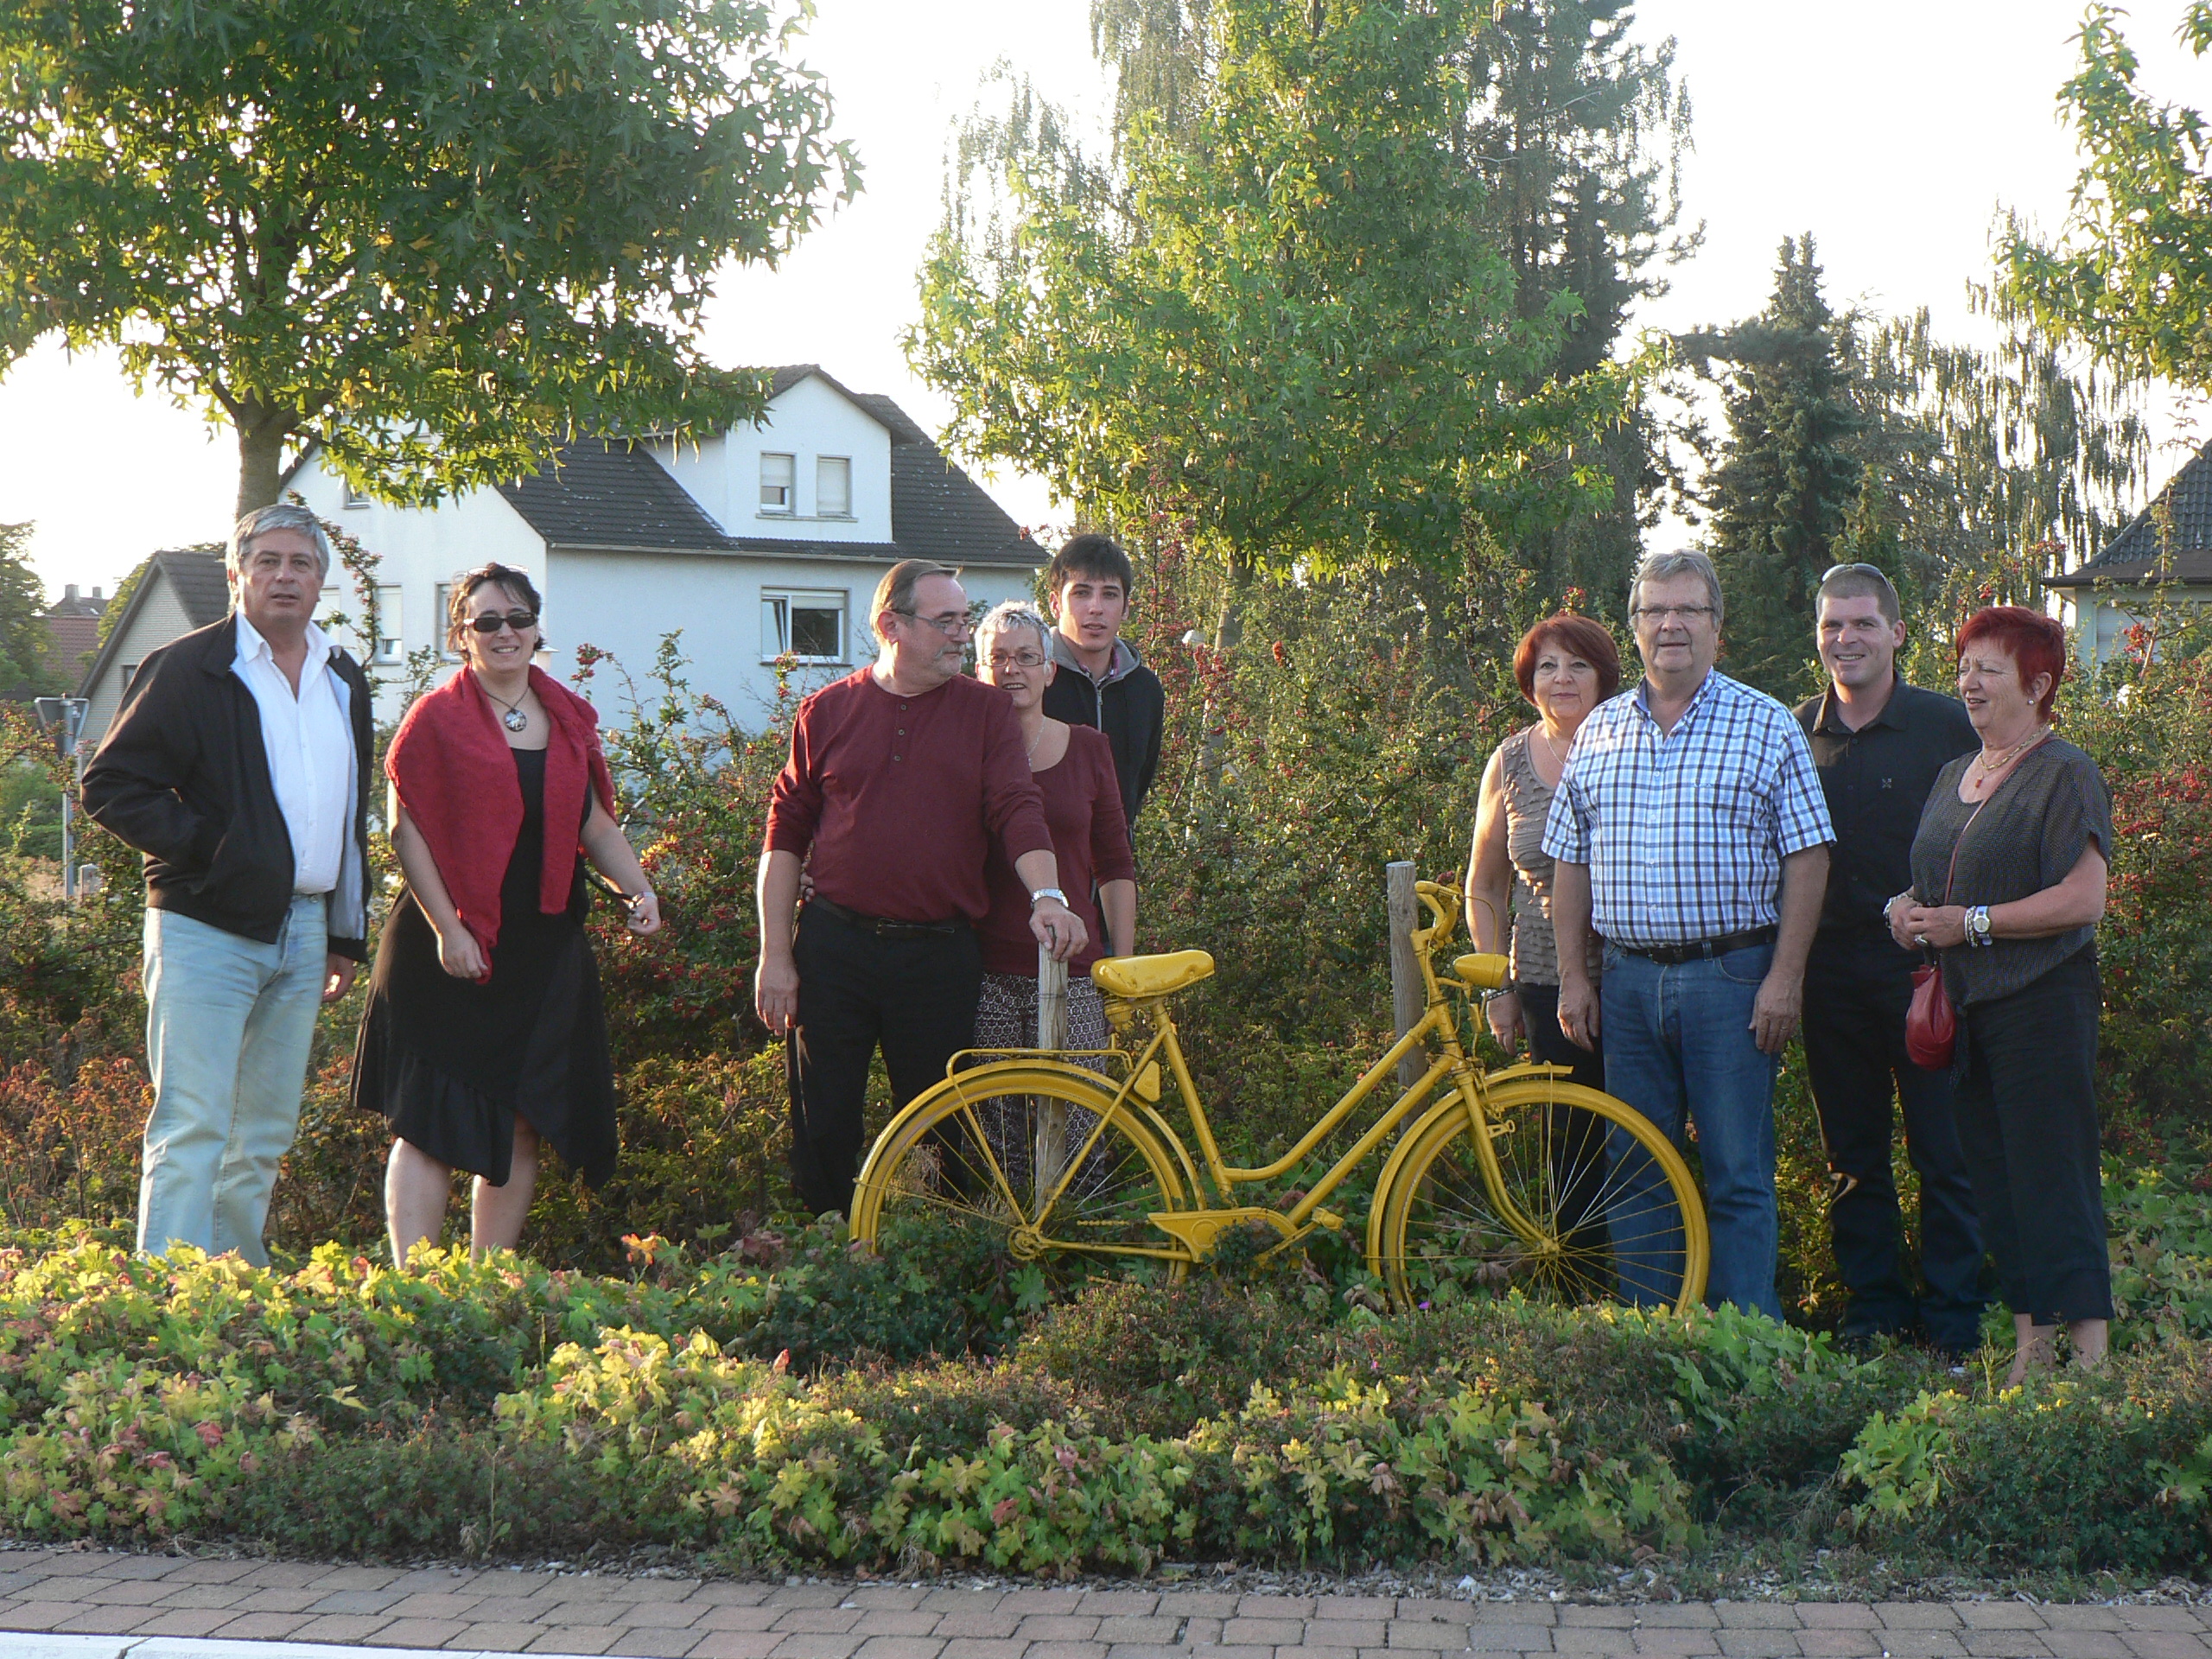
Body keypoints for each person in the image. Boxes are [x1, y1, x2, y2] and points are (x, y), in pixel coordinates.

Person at [1545, 550, 1833, 1319]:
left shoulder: (1766, 724)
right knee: (1635, 1165)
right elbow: (1569, 862)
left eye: (1688, 611)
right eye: (1654, 611)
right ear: (1634, 627)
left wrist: (1786, 977)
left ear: (1716, 626)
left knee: (1737, 1170)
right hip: (1630, 983)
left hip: (1733, 980)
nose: (1671, 625)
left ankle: (1748, 1351)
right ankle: (1652, 1341)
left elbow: (1809, 857)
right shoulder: (1599, 731)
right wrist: (1576, 976)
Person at [83, 504, 373, 1264]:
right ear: (236, 574)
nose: (285, 576)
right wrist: (216, 852)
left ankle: (235, 1292)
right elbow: (111, 784)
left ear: (321, 581)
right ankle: (166, 1302)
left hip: (305, 932)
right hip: (203, 926)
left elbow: (346, 813)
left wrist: (343, 932)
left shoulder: (342, 676)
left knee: (265, 1134)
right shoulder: (189, 667)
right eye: (269, 561)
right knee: (193, 1121)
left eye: (301, 564)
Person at [756, 560, 1087, 1219]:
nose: (962, 636)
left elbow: (1017, 809)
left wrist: (1048, 897)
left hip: (938, 958)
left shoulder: (986, 712)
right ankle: (827, 1258)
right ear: (892, 626)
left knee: (947, 1134)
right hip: (834, 950)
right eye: (946, 623)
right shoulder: (825, 712)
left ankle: (943, 1268)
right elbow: (784, 834)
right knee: (825, 1126)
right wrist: (775, 954)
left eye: (965, 620)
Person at [353, 564, 661, 1263]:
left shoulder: (567, 715)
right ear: (461, 634)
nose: (505, 633)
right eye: (487, 621)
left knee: (525, 1122)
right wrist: (450, 931)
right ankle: (417, 1292)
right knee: (426, 1125)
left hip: (540, 946)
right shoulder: (434, 719)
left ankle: (486, 1288)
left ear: (535, 627)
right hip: (446, 947)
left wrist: (639, 889)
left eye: (518, 618)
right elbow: (406, 831)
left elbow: (595, 824)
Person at [1891, 605, 2112, 1387]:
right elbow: (1939, 875)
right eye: (1964, 665)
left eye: (1988, 668)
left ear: (2039, 683)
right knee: (1997, 1180)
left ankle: (2088, 1365)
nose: (1968, 681)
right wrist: (1906, 911)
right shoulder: (1958, 772)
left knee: (2053, 1178)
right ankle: (2031, 1352)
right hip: (1967, 1012)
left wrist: (1973, 925)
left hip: (2042, 1005)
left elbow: (2085, 899)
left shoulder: (2064, 772)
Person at [1796, 564, 1985, 1358]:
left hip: (1930, 971)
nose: (1847, 639)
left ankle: (1952, 1321)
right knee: (1853, 1154)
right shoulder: (1794, 730)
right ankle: (1873, 1313)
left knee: (1946, 1150)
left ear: (1898, 633)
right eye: (1834, 625)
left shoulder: (1948, 725)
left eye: (1863, 624)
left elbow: (1997, 818)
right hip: (1828, 971)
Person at [1464, 612, 1620, 1090]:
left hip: (1631, 979)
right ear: (1531, 685)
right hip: (1541, 981)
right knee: (1567, 1139)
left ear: (1603, 679)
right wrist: (1498, 988)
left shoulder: (1633, 750)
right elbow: (1486, 884)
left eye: (1579, 665)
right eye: (1548, 667)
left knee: (1644, 1136)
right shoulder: (1509, 761)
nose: (1563, 678)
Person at [1040, 533, 1166, 828]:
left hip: (1114, 866)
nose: (1096, 607)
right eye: (1081, 593)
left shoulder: (1145, 690)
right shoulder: (1028, 680)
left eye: (1109, 594)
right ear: (1055, 603)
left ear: (1125, 607)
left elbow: (1136, 787)